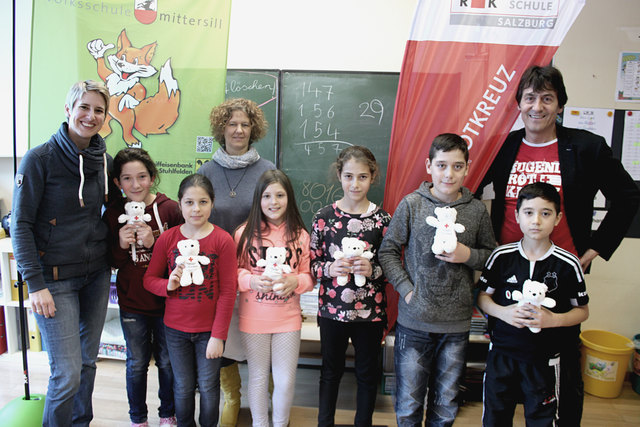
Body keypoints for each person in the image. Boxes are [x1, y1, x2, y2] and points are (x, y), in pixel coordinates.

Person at [477, 64, 640, 425]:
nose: (538, 106)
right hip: (508, 275)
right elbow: (469, 192)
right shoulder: (501, 147)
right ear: (518, 103)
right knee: (503, 373)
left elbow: (628, 196)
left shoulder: (586, 147)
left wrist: (594, 250)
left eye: (547, 98)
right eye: (530, 97)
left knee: (558, 378)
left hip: (559, 276)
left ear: (561, 105)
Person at [10, 80, 112, 426]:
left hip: (95, 276)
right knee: (66, 373)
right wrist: (34, 284)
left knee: (86, 364)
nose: (90, 115)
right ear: (68, 110)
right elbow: (20, 225)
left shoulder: (104, 161)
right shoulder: (39, 159)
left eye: (98, 110)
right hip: (53, 281)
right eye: (84, 107)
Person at [378, 133, 496, 427]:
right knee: (408, 405)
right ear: (429, 165)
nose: (449, 173)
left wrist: (466, 254)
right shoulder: (412, 205)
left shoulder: (477, 210)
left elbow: (493, 258)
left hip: (455, 325)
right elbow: (388, 251)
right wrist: (406, 291)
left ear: (467, 169)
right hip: (414, 322)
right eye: (442, 165)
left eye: (457, 166)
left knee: (445, 405)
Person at [477, 182, 590, 426]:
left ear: (557, 218)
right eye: (529, 212)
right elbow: (483, 298)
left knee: (543, 419)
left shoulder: (568, 264)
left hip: (545, 360)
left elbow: (582, 311)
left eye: (545, 213)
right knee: (495, 418)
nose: (536, 220)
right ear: (517, 216)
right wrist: (503, 313)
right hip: (502, 354)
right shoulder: (501, 257)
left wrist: (554, 320)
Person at [197, 98, 276, 427]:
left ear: (253, 129)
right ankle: (232, 396)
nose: (239, 130)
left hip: (258, 270)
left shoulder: (267, 170)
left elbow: (277, 219)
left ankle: (265, 399)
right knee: (223, 335)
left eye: (245, 124)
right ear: (221, 129)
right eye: (232, 124)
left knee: (259, 334)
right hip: (216, 271)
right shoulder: (206, 171)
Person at [143, 174, 237, 427]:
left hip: (209, 332)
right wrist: (168, 285)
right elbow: (149, 279)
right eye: (189, 202)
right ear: (179, 204)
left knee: (208, 385)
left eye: (203, 202)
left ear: (212, 203)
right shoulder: (168, 238)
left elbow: (229, 291)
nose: (196, 209)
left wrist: (218, 335)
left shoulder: (222, 240)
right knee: (182, 386)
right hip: (174, 330)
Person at [310, 146, 392, 427]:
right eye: (348, 176)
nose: (355, 184)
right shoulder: (324, 217)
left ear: (373, 177)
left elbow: (391, 266)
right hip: (332, 311)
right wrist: (329, 269)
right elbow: (312, 264)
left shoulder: (383, 220)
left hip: (371, 313)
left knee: (367, 373)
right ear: (339, 175)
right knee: (330, 372)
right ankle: (325, 423)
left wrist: (374, 269)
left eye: (362, 177)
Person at [104, 148, 183, 427]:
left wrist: (156, 240)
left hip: (167, 302)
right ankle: (138, 418)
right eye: (127, 179)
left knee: (167, 362)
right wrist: (121, 245)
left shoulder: (171, 209)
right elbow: (111, 261)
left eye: (141, 177)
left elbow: (186, 253)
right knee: (136, 363)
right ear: (117, 183)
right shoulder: (114, 214)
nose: (135, 185)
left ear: (152, 178)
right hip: (132, 302)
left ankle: (168, 414)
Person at [234, 169, 314, 427]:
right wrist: (251, 280)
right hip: (253, 317)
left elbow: (309, 277)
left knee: (285, 380)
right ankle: (260, 424)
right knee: (257, 376)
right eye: (267, 196)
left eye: (280, 195)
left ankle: (280, 424)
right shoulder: (244, 233)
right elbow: (234, 272)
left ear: (289, 198)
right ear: (258, 199)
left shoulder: (301, 235)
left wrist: (295, 282)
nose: (273, 202)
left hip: (287, 319)